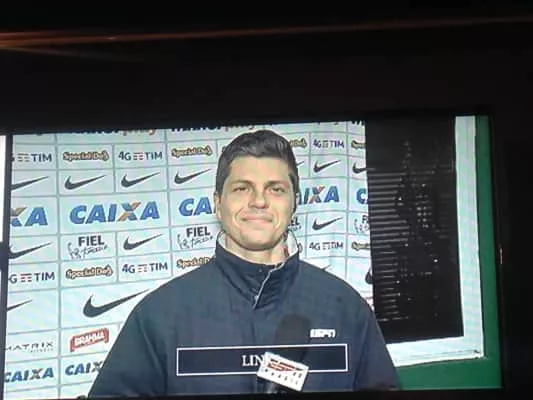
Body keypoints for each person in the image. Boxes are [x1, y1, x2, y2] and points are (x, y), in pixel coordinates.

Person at [87, 129, 400, 397]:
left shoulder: (345, 308)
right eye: (242, 188)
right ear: (217, 203)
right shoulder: (160, 315)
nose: (259, 201)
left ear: (295, 202)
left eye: (275, 189)